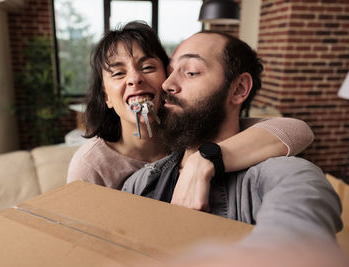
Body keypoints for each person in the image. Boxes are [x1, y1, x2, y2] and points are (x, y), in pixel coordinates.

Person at [122, 30, 342, 243]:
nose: (167, 84)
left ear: (238, 89)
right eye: (170, 71)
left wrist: (205, 158)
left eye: (191, 72)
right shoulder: (140, 183)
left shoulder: (282, 178)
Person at [67, 21, 314, 203]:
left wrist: (204, 159)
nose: (135, 79)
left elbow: (296, 130)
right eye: (119, 73)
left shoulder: (187, 127)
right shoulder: (93, 166)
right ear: (107, 96)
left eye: (148, 66)